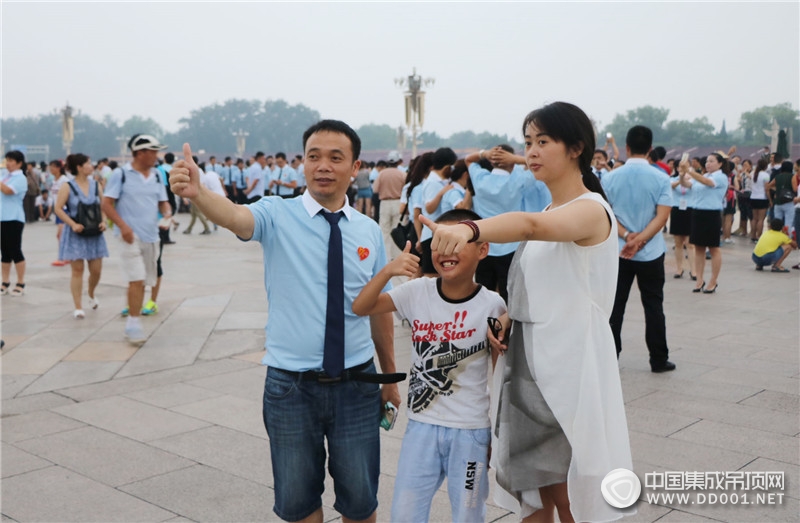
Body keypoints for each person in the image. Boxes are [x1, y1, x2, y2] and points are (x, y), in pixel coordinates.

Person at [169, 119, 402, 523]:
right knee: (298, 505)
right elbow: (236, 218)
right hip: (291, 388)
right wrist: (199, 194)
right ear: (303, 164)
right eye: (314, 156)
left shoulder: (367, 231)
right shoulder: (277, 214)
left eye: (335, 157)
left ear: (355, 166)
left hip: (358, 386)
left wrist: (389, 378)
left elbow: (380, 310)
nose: (323, 166)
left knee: (361, 502)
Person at [421, 102, 633, 523]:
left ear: (576, 148)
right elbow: (540, 283)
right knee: (536, 487)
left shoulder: (591, 209)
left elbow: (530, 227)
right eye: (528, 142)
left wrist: (469, 228)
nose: (532, 151)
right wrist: (509, 318)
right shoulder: (554, 210)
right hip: (531, 362)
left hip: (570, 366)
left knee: (569, 486)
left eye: (543, 141)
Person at [352, 209, 506, 523]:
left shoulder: (493, 305)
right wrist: (388, 271)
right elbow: (362, 306)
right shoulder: (416, 292)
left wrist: (495, 436)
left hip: (471, 434)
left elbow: (499, 377)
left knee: (468, 514)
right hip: (421, 429)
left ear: (482, 248)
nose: (445, 252)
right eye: (438, 243)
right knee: (405, 514)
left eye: (456, 243)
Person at [602, 125, 675, 371]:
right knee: (654, 305)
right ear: (651, 149)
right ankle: (658, 358)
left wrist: (627, 236)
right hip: (651, 252)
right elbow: (662, 217)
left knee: (615, 306)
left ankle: (610, 357)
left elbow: (607, 213)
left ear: (627, 147)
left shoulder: (610, 177)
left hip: (619, 251)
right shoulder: (662, 178)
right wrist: (641, 240)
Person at [101, 134, 172, 344]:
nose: (156, 156)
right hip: (129, 237)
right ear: (140, 153)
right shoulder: (120, 174)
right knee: (137, 279)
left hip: (152, 236)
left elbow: (163, 202)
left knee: (146, 281)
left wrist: (167, 213)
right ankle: (133, 323)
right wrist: (123, 227)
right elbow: (106, 204)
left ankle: (135, 316)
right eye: (153, 152)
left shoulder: (157, 176)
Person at [54, 154, 109, 318]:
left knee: (96, 271)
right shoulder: (67, 186)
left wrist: (104, 221)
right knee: (77, 270)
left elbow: (103, 206)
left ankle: (91, 292)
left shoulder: (96, 185)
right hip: (76, 233)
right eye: (87, 164)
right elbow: (58, 208)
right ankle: (78, 306)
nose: (91, 166)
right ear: (79, 167)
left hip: (95, 233)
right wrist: (72, 224)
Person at [685, 152, 729, 294]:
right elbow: (687, 184)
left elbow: (708, 183)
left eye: (711, 161)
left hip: (711, 214)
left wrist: (690, 172)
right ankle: (700, 279)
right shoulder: (703, 176)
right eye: (707, 161)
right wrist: (682, 174)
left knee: (713, 248)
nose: (708, 164)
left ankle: (713, 280)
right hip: (698, 213)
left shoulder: (721, 177)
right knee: (698, 247)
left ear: (720, 163)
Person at [1, 150, 29, 297]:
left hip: (14, 218)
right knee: (4, 252)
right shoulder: (5, 176)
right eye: (7, 160)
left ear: (19, 163)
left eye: (12, 161)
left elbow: (7, 191)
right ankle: (5, 282)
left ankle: (20, 283)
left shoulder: (20, 178)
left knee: (15, 250)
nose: (9, 163)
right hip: (2, 217)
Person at [668, 160, 695, 279]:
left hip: (690, 210)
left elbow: (692, 187)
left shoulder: (694, 179)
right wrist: (681, 177)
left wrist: (688, 176)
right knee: (678, 243)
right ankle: (679, 269)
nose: (682, 168)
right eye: (679, 166)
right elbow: (672, 186)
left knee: (690, 243)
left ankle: (693, 270)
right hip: (677, 209)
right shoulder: (672, 179)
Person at [765, 161, 796, 237]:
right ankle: (787, 237)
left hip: (778, 202)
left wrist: (778, 189)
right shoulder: (792, 176)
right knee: (788, 222)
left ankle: (775, 236)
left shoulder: (778, 176)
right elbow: (795, 189)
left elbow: (768, 186)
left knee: (777, 221)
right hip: (789, 202)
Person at [750, 158, 771, 242]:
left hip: (753, 197)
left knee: (754, 218)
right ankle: (759, 236)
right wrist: (770, 199)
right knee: (761, 219)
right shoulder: (765, 175)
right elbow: (766, 189)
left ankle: (753, 236)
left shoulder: (753, 174)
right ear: (766, 166)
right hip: (762, 198)